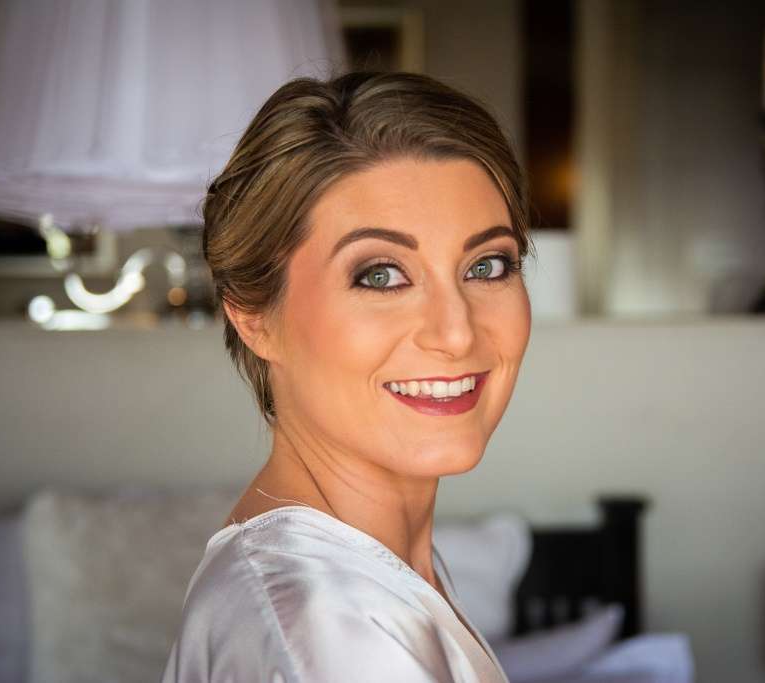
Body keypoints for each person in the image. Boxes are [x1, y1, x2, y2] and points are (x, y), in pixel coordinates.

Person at [162, 70, 534, 682]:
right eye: (381, 275)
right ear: (254, 316)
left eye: (487, 266)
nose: (456, 333)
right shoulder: (331, 631)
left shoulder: (361, 573)